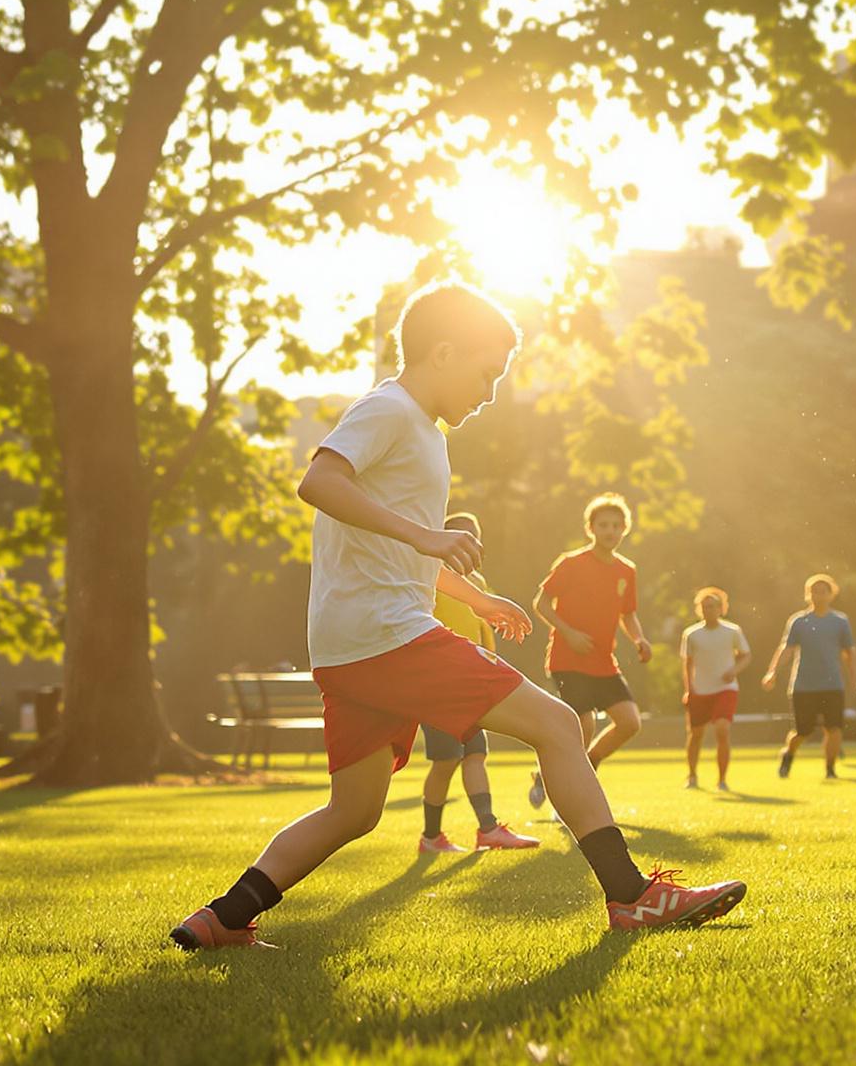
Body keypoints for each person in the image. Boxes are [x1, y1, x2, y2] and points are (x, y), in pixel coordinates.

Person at [171, 282, 744, 949]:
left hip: (352, 645)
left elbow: (391, 547)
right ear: (442, 351)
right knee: (559, 725)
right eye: (487, 372)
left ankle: (221, 917)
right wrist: (426, 536)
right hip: (387, 637)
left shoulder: (421, 432)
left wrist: (475, 598)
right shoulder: (390, 409)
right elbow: (318, 482)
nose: (492, 391)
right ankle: (633, 896)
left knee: (353, 810)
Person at [416, 511, 541, 852]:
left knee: (474, 755)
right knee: (446, 759)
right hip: (437, 683)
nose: (468, 542)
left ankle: (488, 829)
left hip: (470, 683)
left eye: (474, 536)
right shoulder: (427, 576)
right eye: (460, 535)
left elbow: (483, 633)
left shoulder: (480, 585)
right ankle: (430, 837)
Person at [528, 494, 651, 811]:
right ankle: (562, 793)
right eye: (603, 525)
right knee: (582, 725)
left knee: (629, 722)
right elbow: (540, 603)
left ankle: (583, 765)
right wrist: (568, 632)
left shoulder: (628, 571)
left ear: (625, 529)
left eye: (616, 525)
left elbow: (628, 614)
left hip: (603, 662)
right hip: (567, 660)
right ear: (591, 528)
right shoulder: (571, 563)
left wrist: (639, 639)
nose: (610, 531)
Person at [763, 574, 856, 778]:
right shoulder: (799, 621)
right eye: (815, 591)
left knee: (834, 729)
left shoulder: (840, 621)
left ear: (831, 595)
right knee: (802, 732)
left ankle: (830, 770)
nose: (819, 595)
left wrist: (854, 676)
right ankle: (788, 754)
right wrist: (772, 672)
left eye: (823, 591)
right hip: (803, 686)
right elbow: (786, 649)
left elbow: (849, 651)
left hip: (832, 684)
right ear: (808, 594)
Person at [680, 586, 752, 790]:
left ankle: (722, 780)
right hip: (699, 690)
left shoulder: (732, 631)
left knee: (722, 729)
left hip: (725, 688)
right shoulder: (691, 634)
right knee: (695, 735)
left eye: (712, 606)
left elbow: (746, 655)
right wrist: (688, 689)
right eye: (704, 607)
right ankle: (692, 776)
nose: (708, 610)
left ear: (721, 608)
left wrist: (734, 670)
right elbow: (687, 663)